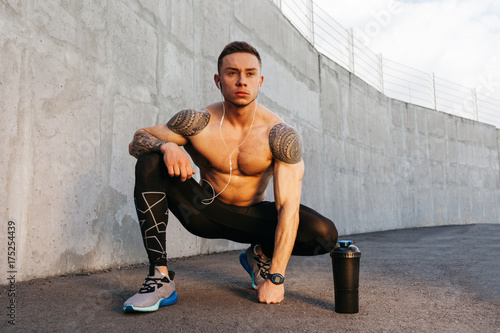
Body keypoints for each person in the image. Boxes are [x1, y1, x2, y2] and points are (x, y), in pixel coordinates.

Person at [123, 41, 338, 312]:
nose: (241, 81)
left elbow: (287, 208)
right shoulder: (197, 122)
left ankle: (259, 256)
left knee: (324, 233)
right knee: (150, 159)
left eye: (249, 74)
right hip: (203, 212)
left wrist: (276, 277)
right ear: (218, 80)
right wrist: (167, 146)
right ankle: (159, 278)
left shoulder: (279, 135)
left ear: (260, 81)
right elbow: (138, 139)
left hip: (253, 219)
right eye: (232, 73)